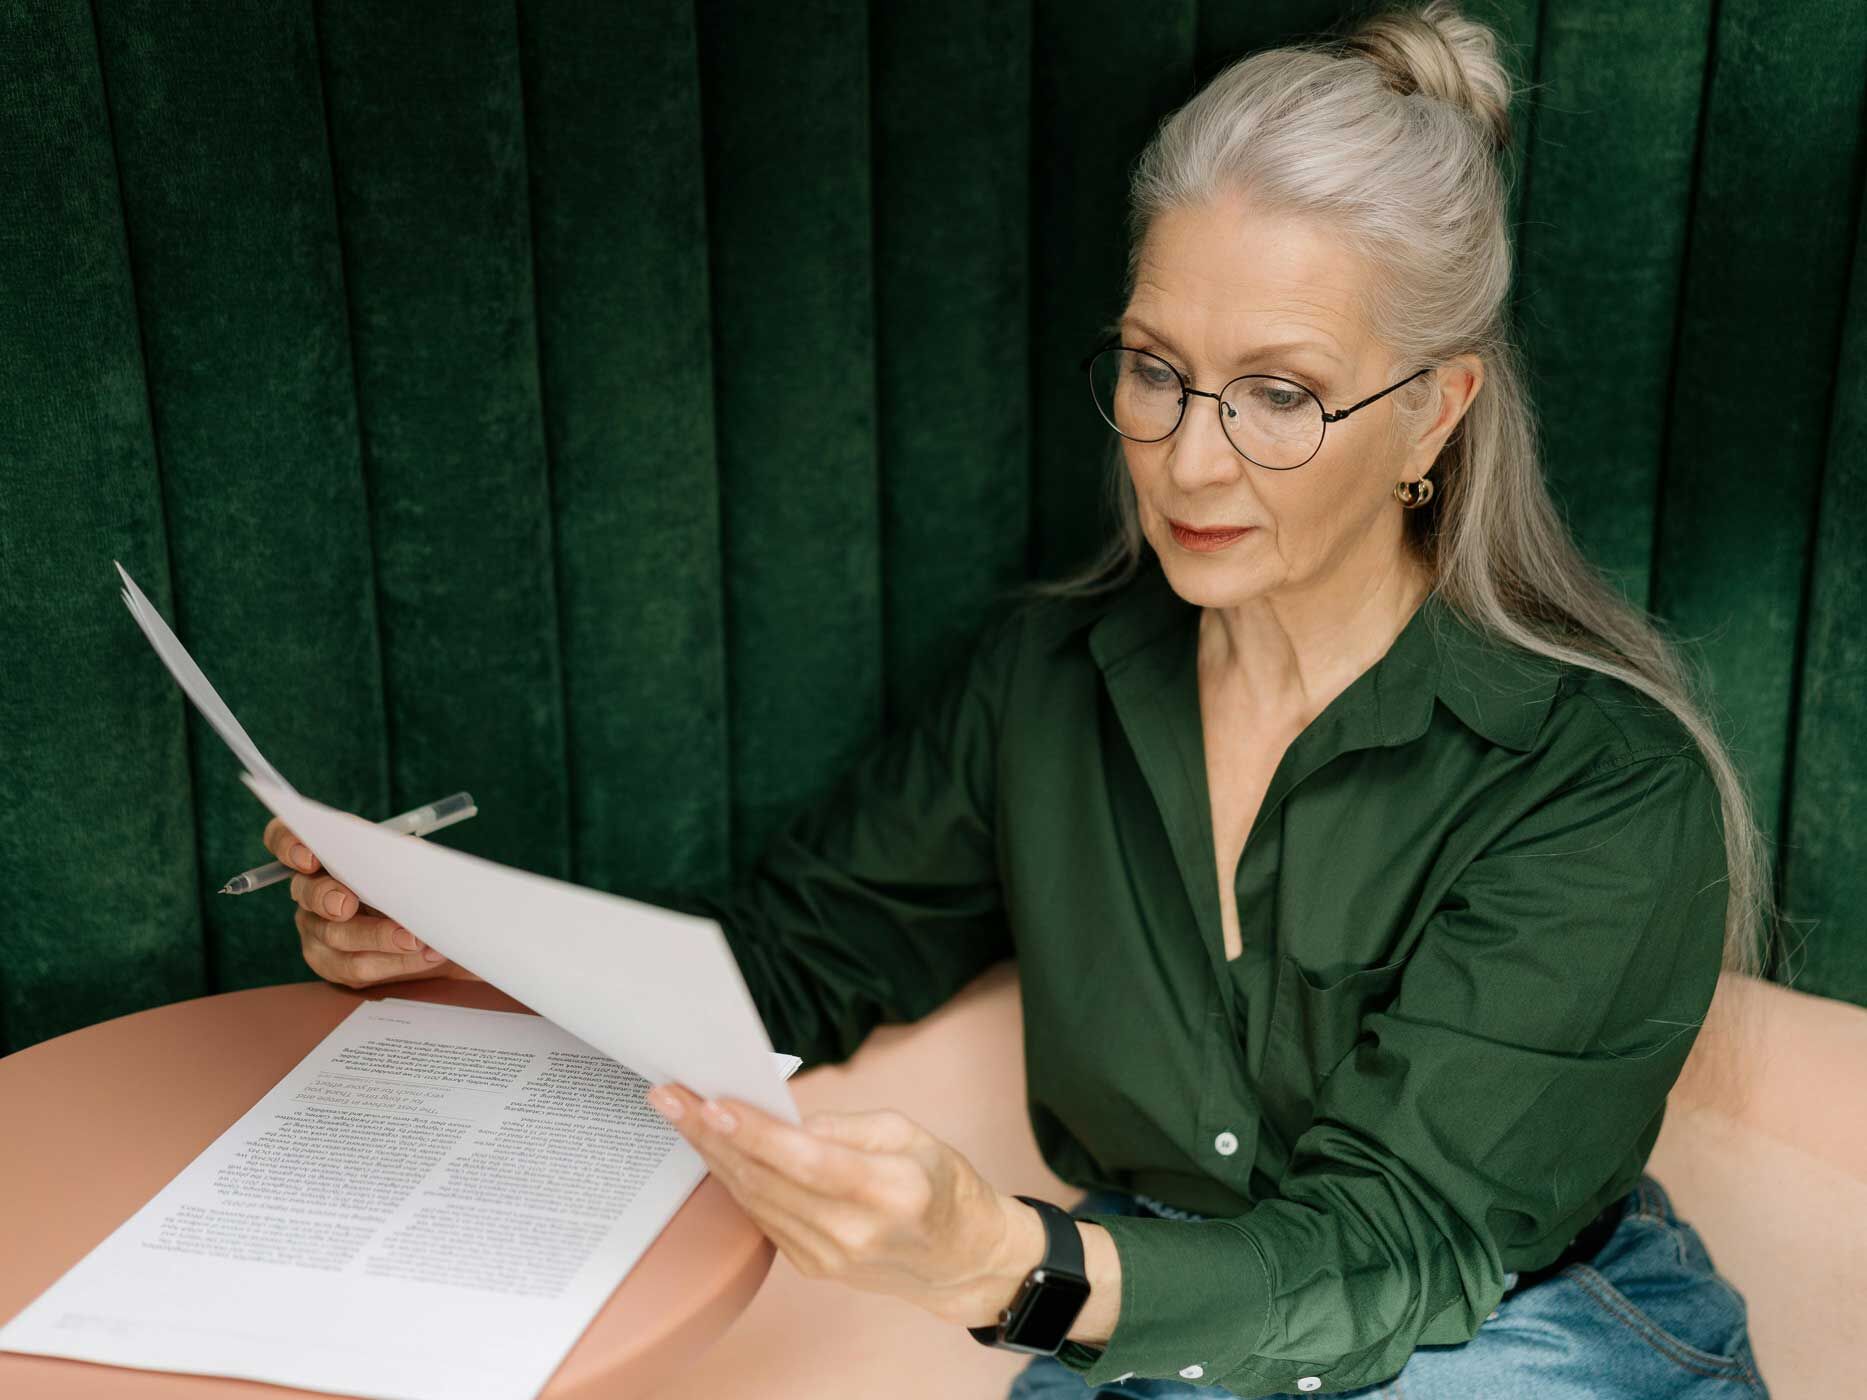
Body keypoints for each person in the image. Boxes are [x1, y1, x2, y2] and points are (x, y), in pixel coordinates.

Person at [263, 2, 1779, 1394]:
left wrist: (1011, 1263)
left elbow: (1391, 1249)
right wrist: (456, 939)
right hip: (1140, 1322)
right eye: (1154, 369)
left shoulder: (1598, 782)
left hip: (1507, 1331)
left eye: (1279, 394)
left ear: (1433, 414)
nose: (1189, 460)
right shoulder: (1045, 683)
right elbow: (790, 962)